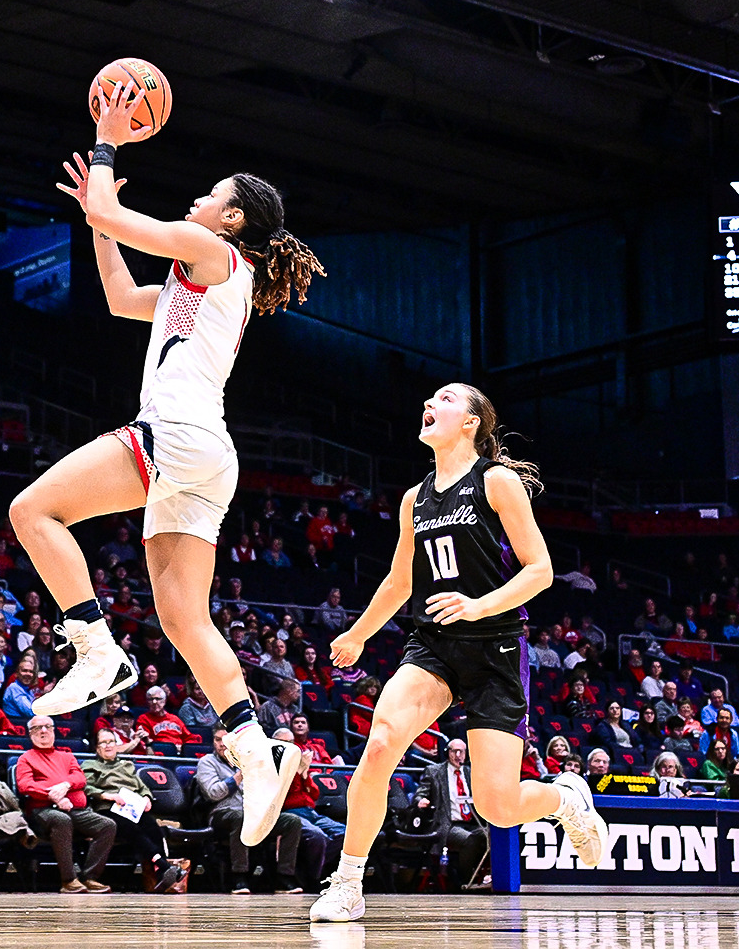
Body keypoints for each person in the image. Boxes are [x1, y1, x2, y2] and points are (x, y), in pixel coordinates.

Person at [10, 113, 324, 857]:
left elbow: (114, 212)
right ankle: (258, 751)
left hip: (176, 435)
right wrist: (98, 218)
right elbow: (121, 296)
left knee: (34, 510)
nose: (198, 200)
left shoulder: (211, 250)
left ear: (233, 218)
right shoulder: (204, 279)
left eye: (212, 195)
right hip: (208, 454)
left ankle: (95, 648)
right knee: (186, 622)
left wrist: (108, 144)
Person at [311, 385, 605, 922]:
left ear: (471, 422)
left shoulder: (497, 481)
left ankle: (565, 799)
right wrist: (358, 634)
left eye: (446, 398)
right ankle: (348, 883)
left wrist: (477, 606)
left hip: (495, 647)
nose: (430, 402)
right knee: (380, 745)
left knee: (497, 806)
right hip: (433, 645)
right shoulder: (415, 498)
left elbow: (540, 570)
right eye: (429, 397)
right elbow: (401, 581)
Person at [197, 723, 306, 893]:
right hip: (222, 814)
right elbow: (213, 793)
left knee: (291, 821)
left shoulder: (246, 760)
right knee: (240, 817)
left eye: (225, 740)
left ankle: (284, 877)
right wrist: (239, 776)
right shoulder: (207, 762)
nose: (222, 744)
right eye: (217, 740)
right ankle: (239, 877)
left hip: (252, 812)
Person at [16, 715, 117, 893]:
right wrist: (53, 796)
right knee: (61, 820)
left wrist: (65, 785)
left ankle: (89, 877)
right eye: (38, 728)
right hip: (42, 810)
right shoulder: (26, 758)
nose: (43, 731)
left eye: (48, 726)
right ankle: (69, 880)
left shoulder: (67, 756)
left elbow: (80, 778)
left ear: (54, 731)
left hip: (75, 809)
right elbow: (25, 785)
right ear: (30, 734)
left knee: (107, 825)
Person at [81, 726, 187, 892]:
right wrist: (106, 795)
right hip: (108, 809)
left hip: (132, 808)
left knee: (152, 827)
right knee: (132, 830)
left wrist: (146, 797)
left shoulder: (127, 765)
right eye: (103, 743)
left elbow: (142, 787)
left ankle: (161, 874)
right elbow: (85, 787)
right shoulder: (90, 765)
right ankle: (163, 865)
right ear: (96, 747)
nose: (108, 746)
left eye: (111, 742)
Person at [415, 738, 491, 889]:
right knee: (471, 839)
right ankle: (466, 880)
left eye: (461, 752)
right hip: (448, 824)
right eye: (454, 751)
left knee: (493, 836)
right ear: (447, 752)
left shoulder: (470, 772)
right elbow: (420, 793)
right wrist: (420, 800)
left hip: (473, 822)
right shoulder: (434, 771)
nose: (458, 755)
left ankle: (489, 876)